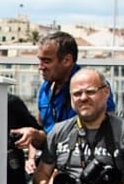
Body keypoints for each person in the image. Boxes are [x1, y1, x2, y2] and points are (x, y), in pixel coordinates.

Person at [9, 30, 115, 163]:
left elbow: (108, 132)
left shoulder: (93, 85)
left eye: (46, 61)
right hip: (51, 160)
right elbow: (46, 132)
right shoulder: (46, 88)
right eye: (40, 60)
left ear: (67, 60)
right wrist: (33, 138)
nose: (40, 67)